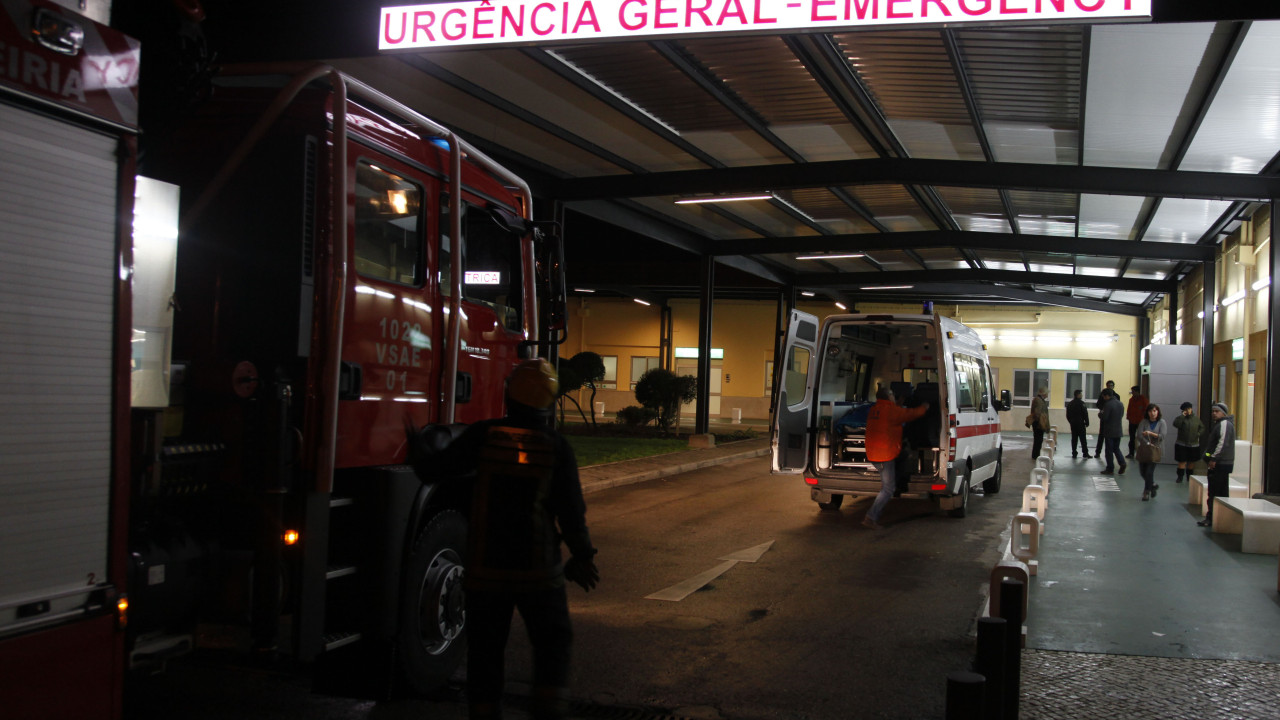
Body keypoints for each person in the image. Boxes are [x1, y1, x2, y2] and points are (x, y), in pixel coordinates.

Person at [410, 358, 599, 720]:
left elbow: (434, 470)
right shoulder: (556, 447)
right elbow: (571, 512)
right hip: (540, 575)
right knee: (553, 644)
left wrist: (417, 444)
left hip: (487, 573)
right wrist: (582, 556)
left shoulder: (483, 435)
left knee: (485, 652)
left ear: (509, 395)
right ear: (550, 401)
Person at [863, 386, 930, 529]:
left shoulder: (876, 409)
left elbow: (892, 413)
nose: (894, 396)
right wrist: (924, 407)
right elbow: (910, 414)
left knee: (903, 455)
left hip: (874, 453)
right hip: (884, 456)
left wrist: (898, 403)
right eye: (892, 394)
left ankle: (898, 482)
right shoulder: (892, 411)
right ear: (888, 397)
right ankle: (871, 517)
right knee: (888, 488)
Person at [1197, 402, 1236, 528]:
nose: (1214, 413)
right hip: (1219, 464)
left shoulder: (1224, 424)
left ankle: (1212, 518)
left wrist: (1213, 458)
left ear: (1223, 413)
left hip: (1220, 465)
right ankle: (1217, 518)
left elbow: (1222, 443)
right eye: (1213, 411)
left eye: (1217, 411)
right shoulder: (1219, 424)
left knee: (1215, 492)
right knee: (1217, 492)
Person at [1135, 403, 1166, 501]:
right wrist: (1147, 443)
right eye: (1150, 411)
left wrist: (1150, 433)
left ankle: (1146, 492)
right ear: (1147, 412)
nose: (1153, 413)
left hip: (1155, 450)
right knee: (1142, 472)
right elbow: (1139, 435)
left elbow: (1162, 436)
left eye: (1154, 411)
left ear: (1158, 412)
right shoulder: (1144, 422)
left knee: (1149, 472)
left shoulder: (1162, 422)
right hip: (1144, 449)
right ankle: (1153, 485)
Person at [1172, 401, 1204, 484]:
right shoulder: (1180, 418)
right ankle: (1180, 476)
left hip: (1194, 444)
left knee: (1191, 461)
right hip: (1181, 443)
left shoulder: (1196, 419)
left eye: (1189, 409)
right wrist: (1183, 416)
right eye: (1186, 409)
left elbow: (1202, 427)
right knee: (1182, 461)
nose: (1188, 411)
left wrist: (1198, 433)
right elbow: (1176, 424)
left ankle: (1189, 477)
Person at [1098, 388, 1127, 475]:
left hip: (1109, 431)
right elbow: (1121, 415)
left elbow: (1105, 418)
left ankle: (1110, 468)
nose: (1103, 398)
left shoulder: (1108, 404)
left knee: (1109, 451)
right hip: (1118, 430)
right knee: (1116, 448)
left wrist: (1100, 414)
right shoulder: (1120, 403)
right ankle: (1122, 462)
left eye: (1104, 396)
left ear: (1107, 396)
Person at [1093, 380, 1116, 458]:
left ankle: (1111, 452)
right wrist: (1103, 409)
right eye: (1109, 385)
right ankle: (1098, 452)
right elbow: (1098, 404)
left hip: (1112, 420)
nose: (1110, 387)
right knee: (1101, 435)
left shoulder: (1116, 396)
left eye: (1112, 385)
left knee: (1111, 437)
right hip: (1104, 418)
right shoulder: (1102, 395)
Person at [1065, 388, 1091, 459]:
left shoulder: (1070, 404)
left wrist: (1071, 422)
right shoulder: (1081, 403)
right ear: (1078, 395)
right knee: (1083, 439)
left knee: (1074, 439)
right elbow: (1085, 413)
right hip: (1080, 424)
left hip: (1073, 424)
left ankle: (1074, 453)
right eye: (1081, 394)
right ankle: (1085, 453)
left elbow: (1068, 415)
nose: (1082, 395)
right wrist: (1087, 422)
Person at [1125, 385, 1149, 459]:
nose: (1132, 393)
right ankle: (1131, 453)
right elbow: (1129, 409)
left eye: (1133, 392)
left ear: (1137, 392)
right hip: (1132, 421)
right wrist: (1128, 417)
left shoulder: (1144, 400)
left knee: (1141, 437)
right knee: (1131, 438)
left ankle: (1143, 453)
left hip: (1140, 422)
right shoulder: (1131, 400)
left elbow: (1146, 410)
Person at [1029, 384, 1050, 460]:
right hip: (1038, 423)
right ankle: (1036, 455)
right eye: (1047, 393)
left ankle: (1036, 454)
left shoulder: (1039, 400)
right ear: (1044, 393)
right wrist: (1041, 422)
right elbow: (1037, 413)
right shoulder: (1038, 400)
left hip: (1038, 423)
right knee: (1038, 439)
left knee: (1039, 439)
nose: (1047, 394)